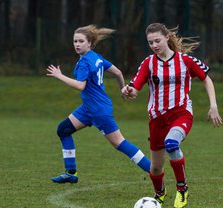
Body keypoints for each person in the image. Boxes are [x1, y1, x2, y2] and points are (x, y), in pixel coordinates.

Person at [122, 23, 223, 208]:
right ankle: (160, 193)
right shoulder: (148, 63)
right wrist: (128, 91)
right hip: (157, 120)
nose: (154, 45)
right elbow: (135, 88)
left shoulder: (186, 61)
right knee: (155, 168)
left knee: (171, 143)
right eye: (150, 42)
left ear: (167, 37)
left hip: (181, 113)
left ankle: (182, 188)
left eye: (157, 40)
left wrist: (213, 105)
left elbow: (206, 79)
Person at [46, 25, 151, 184]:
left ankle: (153, 170)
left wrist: (59, 76)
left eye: (81, 41)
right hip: (89, 108)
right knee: (63, 130)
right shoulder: (96, 57)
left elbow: (80, 86)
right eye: (75, 41)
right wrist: (122, 88)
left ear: (89, 43)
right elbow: (117, 72)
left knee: (119, 143)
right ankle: (70, 172)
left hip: (98, 110)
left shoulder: (85, 63)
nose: (77, 44)